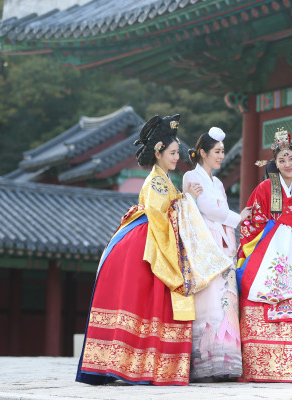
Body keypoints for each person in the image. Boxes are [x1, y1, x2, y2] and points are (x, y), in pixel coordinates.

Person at [76, 114, 233, 386]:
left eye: (177, 153)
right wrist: (187, 201)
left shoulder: (165, 180)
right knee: (148, 303)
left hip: (152, 239)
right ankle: (146, 365)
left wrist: (186, 198)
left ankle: (146, 365)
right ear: (158, 152)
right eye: (172, 153)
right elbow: (161, 218)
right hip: (150, 243)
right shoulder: (157, 182)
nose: (176, 158)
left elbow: (171, 208)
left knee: (147, 305)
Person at [236, 128, 292, 382]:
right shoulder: (264, 187)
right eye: (282, 160)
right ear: (274, 163)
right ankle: (262, 364)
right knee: (269, 295)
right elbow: (252, 221)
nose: (287, 164)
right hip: (273, 248)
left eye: (291, 158)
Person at [182, 127, 252, 381]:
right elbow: (206, 208)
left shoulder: (218, 182)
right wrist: (238, 217)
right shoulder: (191, 176)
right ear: (203, 152)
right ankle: (205, 364)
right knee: (209, 299)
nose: (221, 156)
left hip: (223, 242)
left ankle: (226, 362)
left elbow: (216, 210)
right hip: (205, 243)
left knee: (226, 300)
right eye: (217, 152)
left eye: (223, 151)